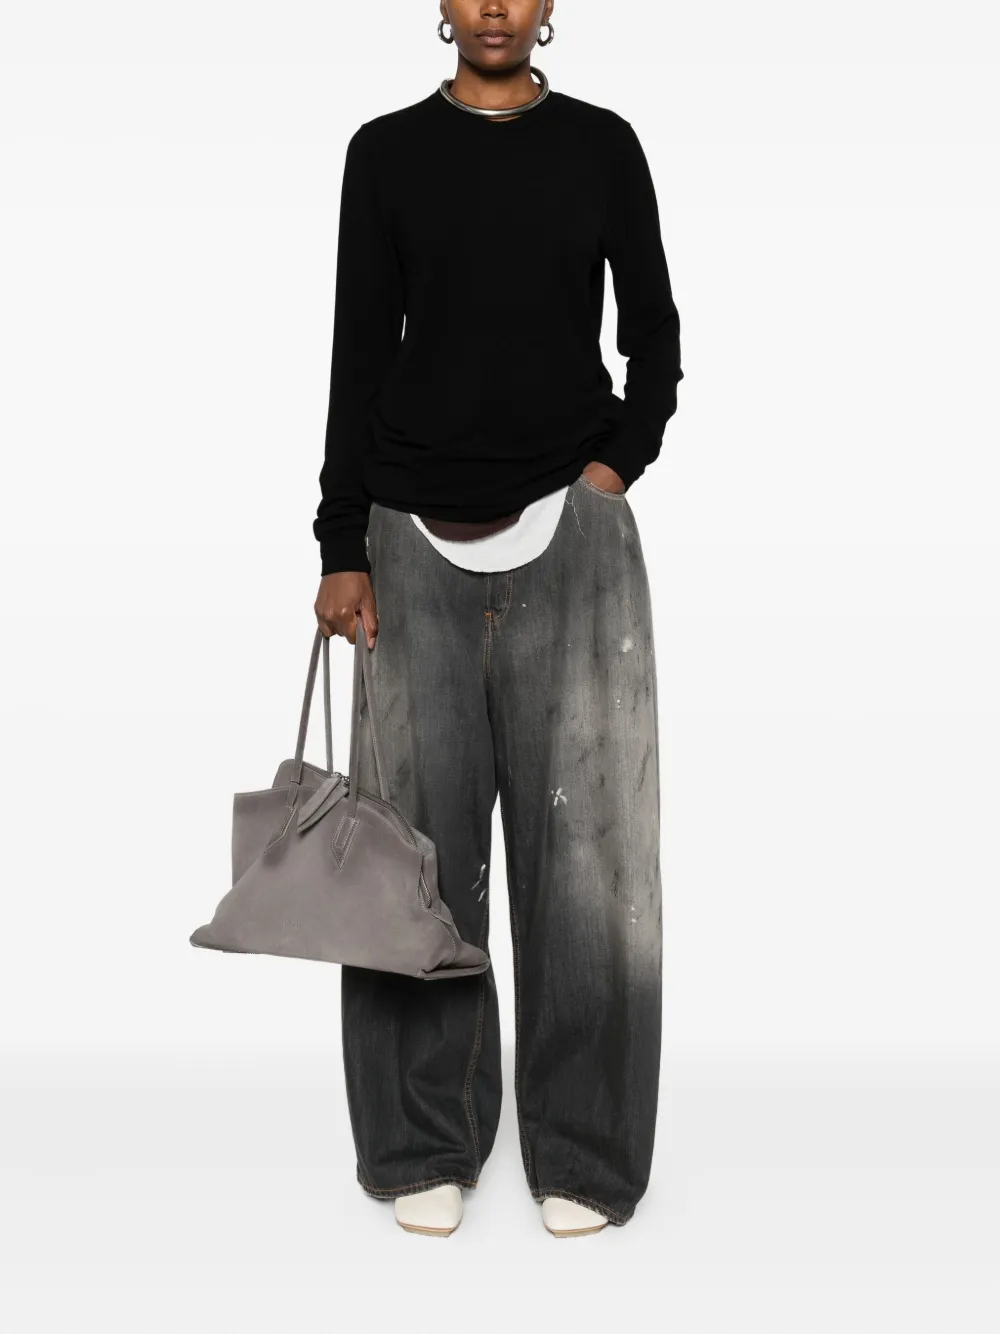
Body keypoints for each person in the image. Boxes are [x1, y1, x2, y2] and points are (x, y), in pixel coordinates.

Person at [313, 0, 682, 1239]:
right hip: (406, 536)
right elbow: (356, 353)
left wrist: (615, 466)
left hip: (572, 531)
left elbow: (656, 333)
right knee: (412, 856)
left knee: (591, 864)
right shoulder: (385, 153)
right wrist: (340, 541)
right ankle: (425, 1135)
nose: (492, 7)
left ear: (547, 6)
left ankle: (584, 1145)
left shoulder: (602, 145)